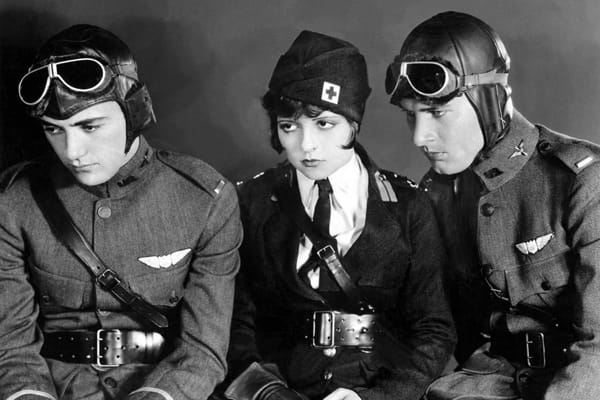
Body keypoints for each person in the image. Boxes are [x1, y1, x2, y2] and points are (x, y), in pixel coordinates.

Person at [0, 24, 242, 400]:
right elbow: (12, 348)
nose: (72, 152)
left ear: (134, 110)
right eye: (54, 130)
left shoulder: (204, 200)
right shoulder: (15, 202)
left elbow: (202, 352)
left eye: (89, 126)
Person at [223, 30, 456, 400]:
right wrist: (266, 392)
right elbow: (234, 323)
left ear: (354, 122)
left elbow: (434, 330)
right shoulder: (249, 202)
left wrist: (378, 399)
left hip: (376, 388)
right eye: (288, 126)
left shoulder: (408, 206)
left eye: (324, 124)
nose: (306, 145)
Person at [385, 10, 600, 400]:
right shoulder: (438, 192)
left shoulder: (583, 181)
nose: (420, 137)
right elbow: (431, 325)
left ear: (487, 100)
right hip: (483, 382)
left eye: (437, 112)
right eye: (410, 117)